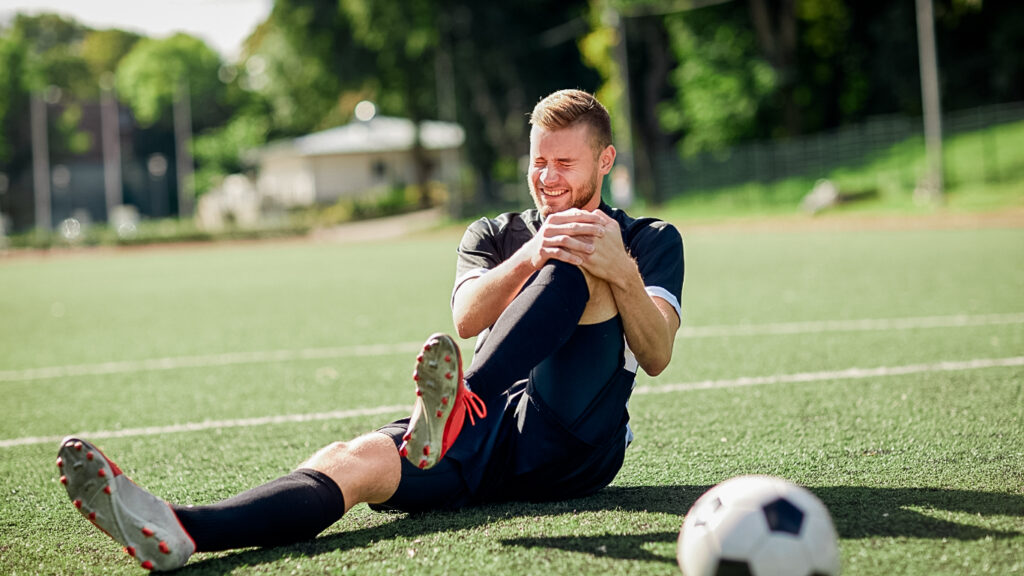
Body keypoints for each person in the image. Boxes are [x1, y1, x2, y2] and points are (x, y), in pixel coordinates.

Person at [56, 89, 684, 572]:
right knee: (354, 460)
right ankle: (181, 529)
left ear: (604, 159)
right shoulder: (492, 233)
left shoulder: (652, 240)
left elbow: (655, 355)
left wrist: (619, 271)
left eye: (564, 163)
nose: (547, 178)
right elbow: (467, 317)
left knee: (586, 258)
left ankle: (459, 409)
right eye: (537, 162)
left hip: (571, 437)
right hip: (484, 435)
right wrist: (529, 255)